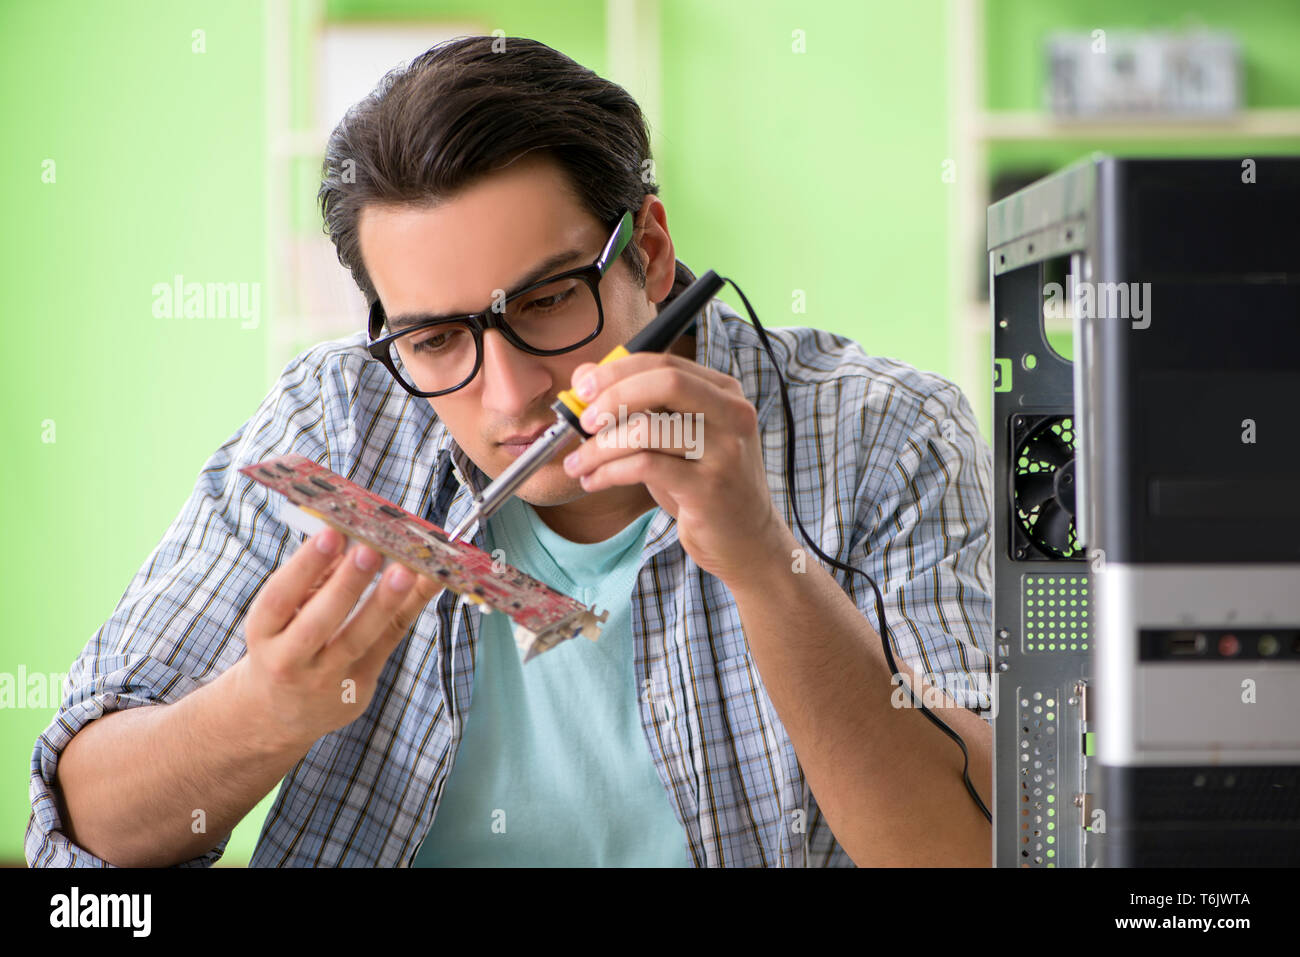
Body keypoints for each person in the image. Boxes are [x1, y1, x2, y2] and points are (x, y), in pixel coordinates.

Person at [28, 35, 994, 868]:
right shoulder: (337, 417)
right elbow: (85, 821)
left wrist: (767, 573)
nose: (510, 393)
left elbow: (967, 851)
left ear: (649, 253)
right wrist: (265, 709)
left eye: (543, 303)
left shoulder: (886, 436)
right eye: (436, 339)